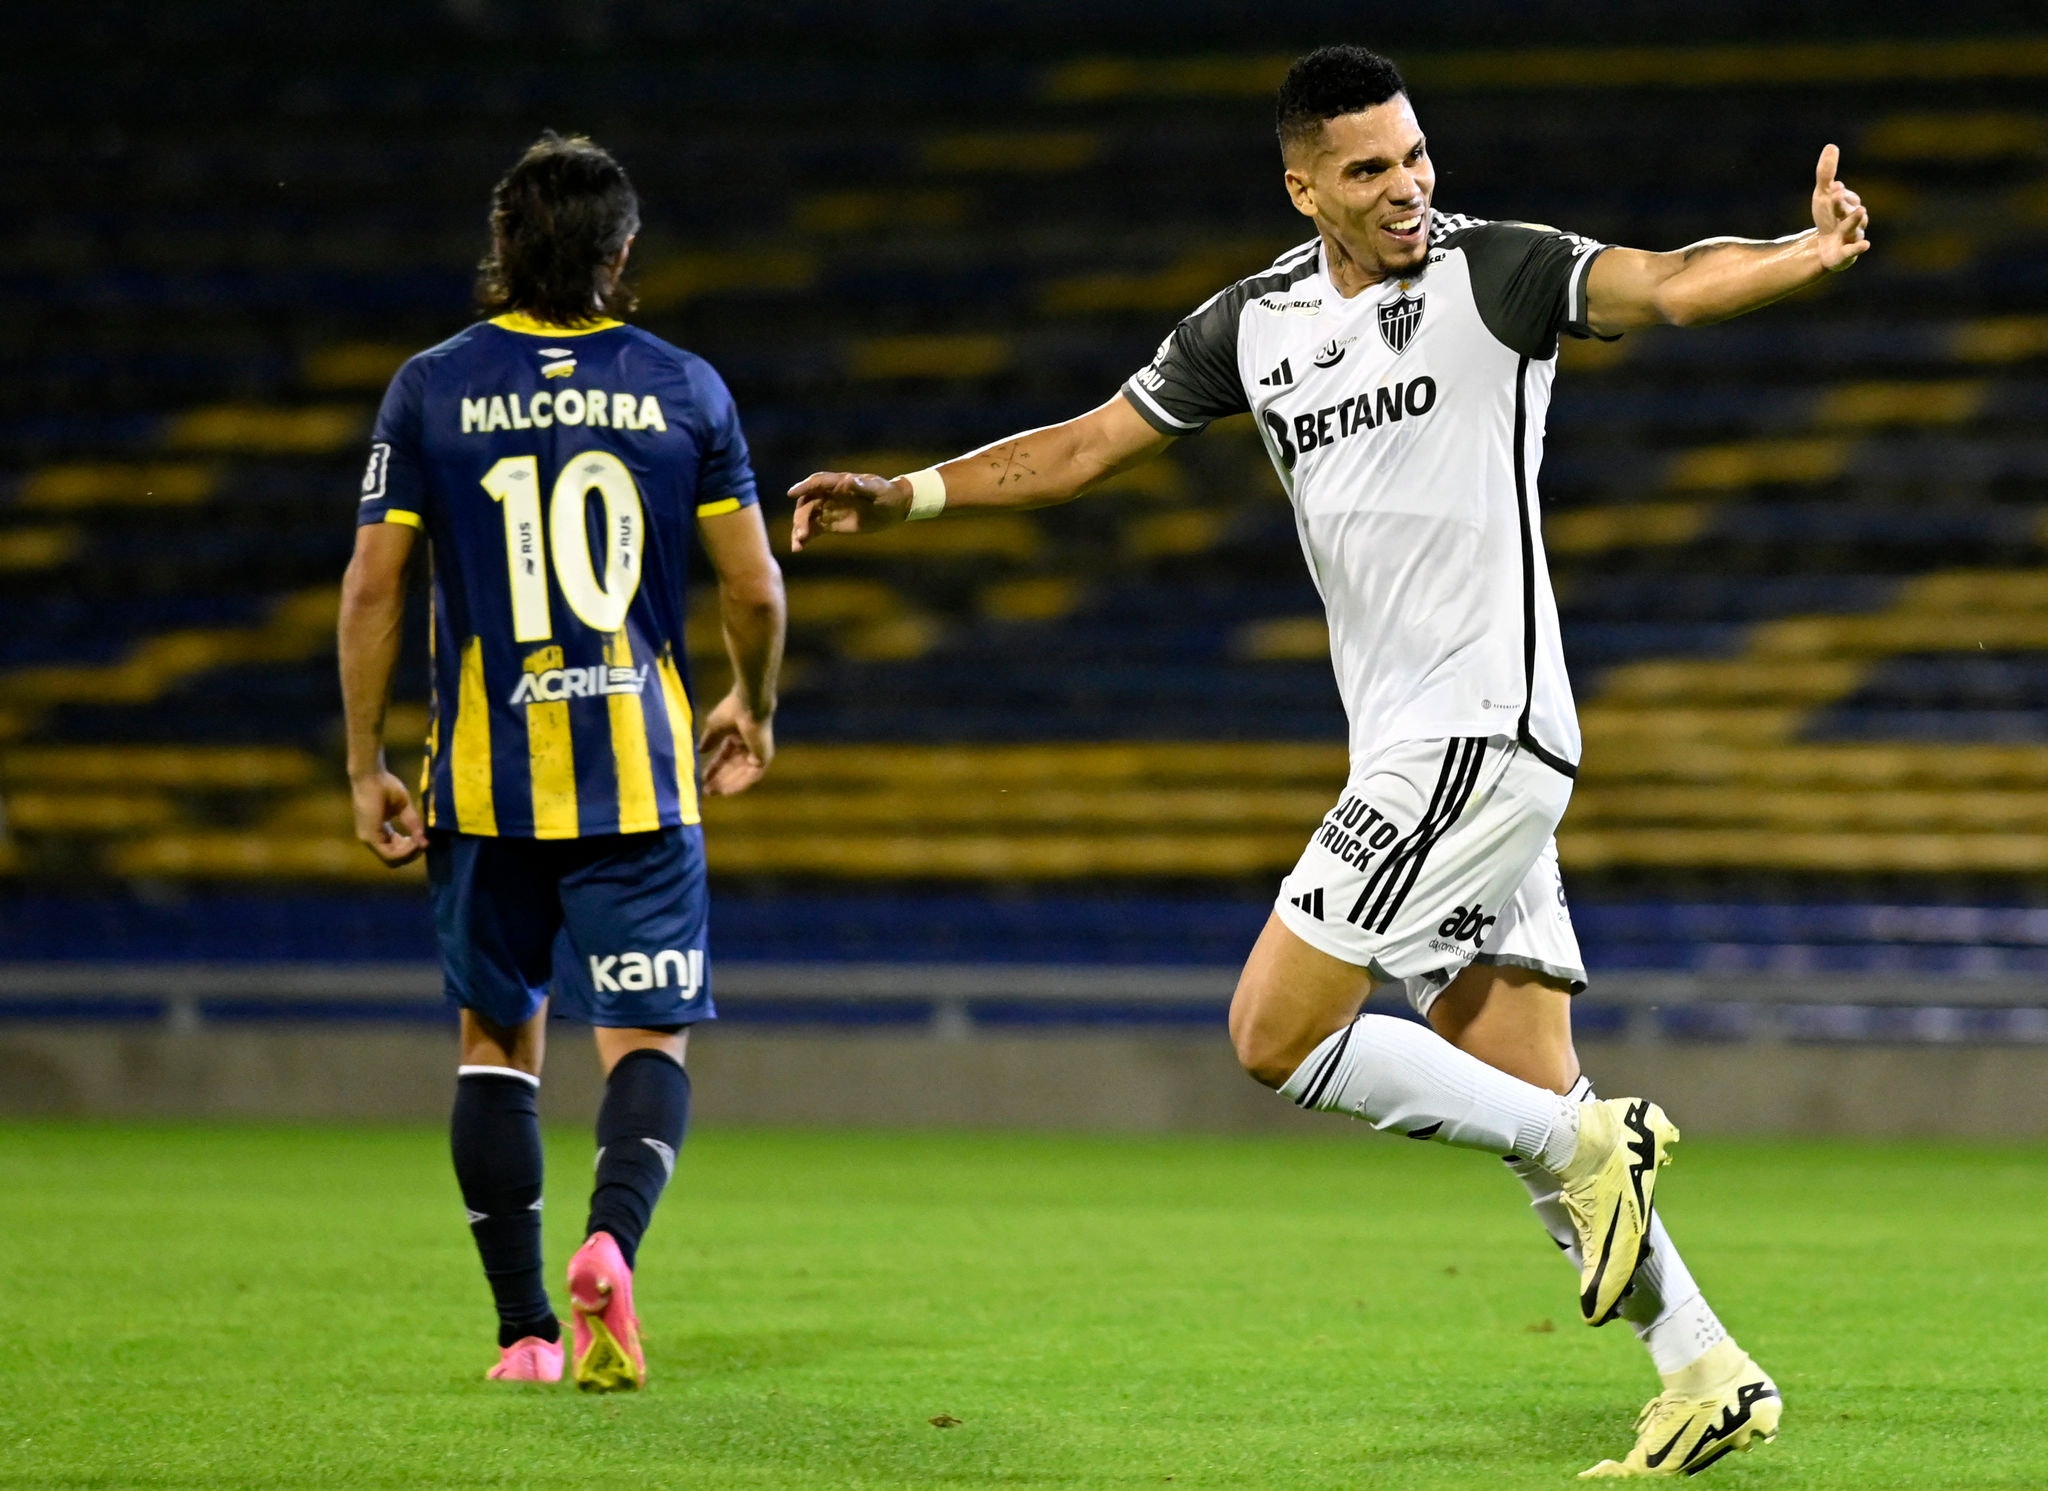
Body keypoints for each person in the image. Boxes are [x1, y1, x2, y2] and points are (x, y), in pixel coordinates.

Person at [789, 45, 1868, 1478]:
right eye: (1369, 168)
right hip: (1437, 749)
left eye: (1414, 154)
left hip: (1479, 729)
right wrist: (908, 493)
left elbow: (1666, 279)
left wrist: (1803, 251)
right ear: (1303, 184)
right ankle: (1703, 1364)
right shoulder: (1253, 325)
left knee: (1274, 1033)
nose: (1408, 185)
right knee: (1522, 1081)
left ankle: (1592, 1142)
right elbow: (1088, 445)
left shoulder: (1501, 272)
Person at [338, 132, 785, 1390]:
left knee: (496, 1040)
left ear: (500, 249)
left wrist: (366, 760)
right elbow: (752, 585)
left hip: (484, 783)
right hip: (640, 779)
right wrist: (750, 701)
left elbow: (375, 584)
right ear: (622, 253)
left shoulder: (429, 388)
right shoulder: (684, 387)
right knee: (645, 1042)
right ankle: (611, 1241)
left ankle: (525, 1331)